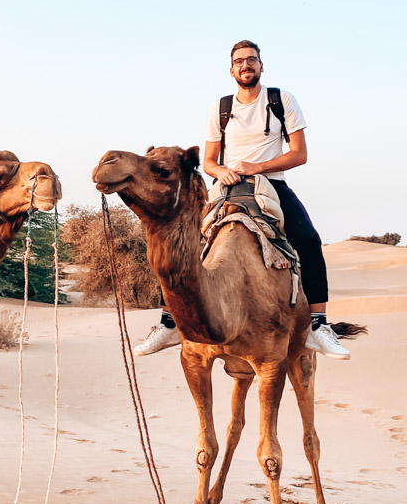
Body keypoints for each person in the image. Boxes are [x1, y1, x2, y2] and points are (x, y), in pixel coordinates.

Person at [133, 39, 350, 360]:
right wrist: (222, 172)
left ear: (261, 66)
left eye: (251, 60)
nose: (245, 65)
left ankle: (318, 326)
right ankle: (168, 322)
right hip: (228, 186)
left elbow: (299, 154)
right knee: (180, 242)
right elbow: (208, 161)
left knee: (308, 239)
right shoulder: (221, 107)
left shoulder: (281, 100)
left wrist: (257, 167)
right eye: (239, 61)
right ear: (231, 69)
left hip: (271, 184)